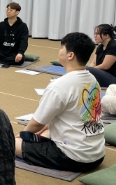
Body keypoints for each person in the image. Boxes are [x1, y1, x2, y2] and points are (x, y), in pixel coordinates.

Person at [16, 32, 105, 172]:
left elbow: (37, 123)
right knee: (45, 131)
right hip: (97, 154)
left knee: (10, 142)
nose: (59, 51)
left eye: (62, 48)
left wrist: (23, 135)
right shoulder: (93, 80)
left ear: (70, 55)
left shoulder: (59, 85)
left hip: (74, 157)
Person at [0, 2, 29, 67]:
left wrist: (20, 52)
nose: (8, 11)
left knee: (20, 59)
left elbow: (24, 41)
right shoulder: (1, 25)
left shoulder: (23, 26)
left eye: (11, 10)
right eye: (7, 10)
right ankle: (5, 61)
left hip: (14, 53)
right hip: (2, 52)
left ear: (17, 12)